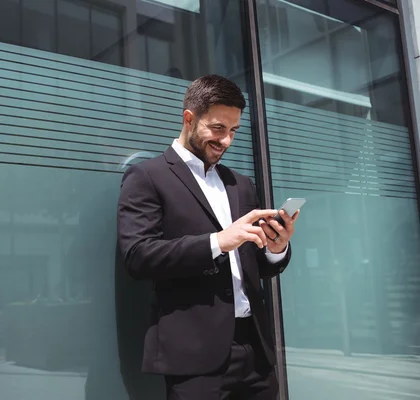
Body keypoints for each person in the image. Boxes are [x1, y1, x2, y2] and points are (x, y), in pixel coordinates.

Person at [116, 75, 300, 400]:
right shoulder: (147, 176)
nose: (227, 140)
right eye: (218, 129)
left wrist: (276, 248)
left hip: (255, 351)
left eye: (233, 131)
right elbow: (138, 256)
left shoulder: (240, 184)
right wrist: (218, 242)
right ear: (189, 118)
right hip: (194, 356)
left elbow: (257, 266)